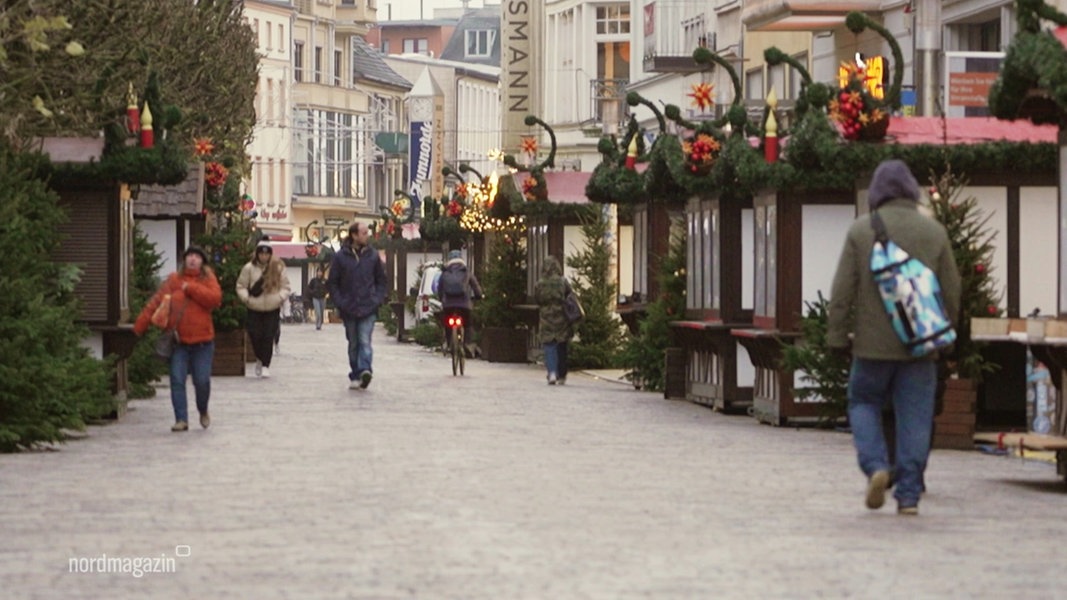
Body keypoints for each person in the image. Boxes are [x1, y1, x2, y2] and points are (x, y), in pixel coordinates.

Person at [827, 159, 961, 516]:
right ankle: (909, 497)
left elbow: (842, 292)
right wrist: (945, 338)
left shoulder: (860, 231)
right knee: (915, 416)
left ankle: (876, 467)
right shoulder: (934, 232)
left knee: (863, 403)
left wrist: (838, 337)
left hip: (871, 346)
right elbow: (952, 290)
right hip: (920, 347)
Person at [133, 246, 223, 432]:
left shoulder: (208, 279)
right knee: (176, 379)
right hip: (178, 343)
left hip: (203, 343)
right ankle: (181, 419)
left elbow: (214, 299)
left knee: (202, 381)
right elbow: (156, 302)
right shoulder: (174, 280)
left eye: (197, 257)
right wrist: (139, 326)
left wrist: (190, 288)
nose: (192, 259)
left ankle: (203, 409)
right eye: (189, 256)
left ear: (202, 262)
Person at [327, 222, 387, 390]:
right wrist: (340, 301)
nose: (366, 235)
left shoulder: (373, 256)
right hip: (349, 307)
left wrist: (377, 299)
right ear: (354, 235)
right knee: (353, 343)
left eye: (367, 232)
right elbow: (333, 283)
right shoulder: (341, 257)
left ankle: (365, 370)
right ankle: (355, 373)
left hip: (368, 307)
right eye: (363, 233)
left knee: (364, 340)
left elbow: (381, 280)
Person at [236, 239, 291, 378]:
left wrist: (279, 297)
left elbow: (286, 286)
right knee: (255, 335)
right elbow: (241, 285)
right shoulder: (249, 268)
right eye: (261, 254)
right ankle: (259, 358)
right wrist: (247, 298)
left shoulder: (277, 268)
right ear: (257, 254)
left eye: (267, 254)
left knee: (268, 336)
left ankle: (266, 364)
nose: (264, 257)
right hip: (254, 307)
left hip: (272, 307)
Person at [534, 256, 574, 385]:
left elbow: (538, 299)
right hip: (562, 316)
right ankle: (562, 374)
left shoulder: (540, 283)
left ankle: (551, 372)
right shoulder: (563, 282)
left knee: (549, 345)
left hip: (546, 317)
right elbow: (570, 296)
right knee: (561, 345)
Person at [435, 249, 483, 356]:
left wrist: (441, 299)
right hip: (464, 304)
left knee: (447, 324)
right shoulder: (466, 271)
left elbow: (440, 289)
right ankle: (467, 343)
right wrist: (479, 296)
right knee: (468, 324)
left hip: (448, 304)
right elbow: (475, 286)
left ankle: (448, 343)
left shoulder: (445, 272)